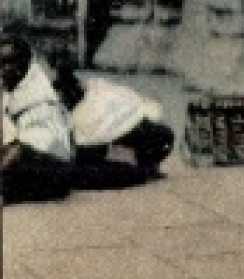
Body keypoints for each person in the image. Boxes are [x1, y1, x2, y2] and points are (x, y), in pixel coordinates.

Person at [55, 66, 172, 188]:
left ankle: (144, 167)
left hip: (112, 125)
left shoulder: (97, 94)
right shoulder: (96, 92)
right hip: (96, 131)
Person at [1, 32, 76, 204]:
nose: (4, 69)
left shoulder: (39, 95)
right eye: (1, 63)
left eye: (9, 62)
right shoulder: (10, 88)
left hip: (50, 162)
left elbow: (22, 148)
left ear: (24, 63)